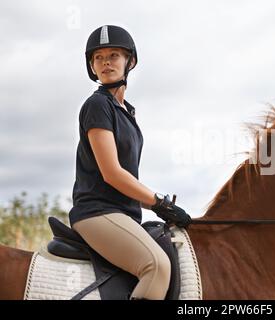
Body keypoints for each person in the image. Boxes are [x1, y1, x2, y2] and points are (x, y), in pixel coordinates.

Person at [68, 25, 191, 300]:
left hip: (123, 214)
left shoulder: (127, 113)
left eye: (114, 55)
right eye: (98, 58)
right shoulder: (97, 106)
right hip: (96, 213)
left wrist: (158, 207)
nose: (106, 62)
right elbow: (112, 173)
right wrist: (161, 203)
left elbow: (127, 179)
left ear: (129, 61)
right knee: (157, 267)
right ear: (92, 66)